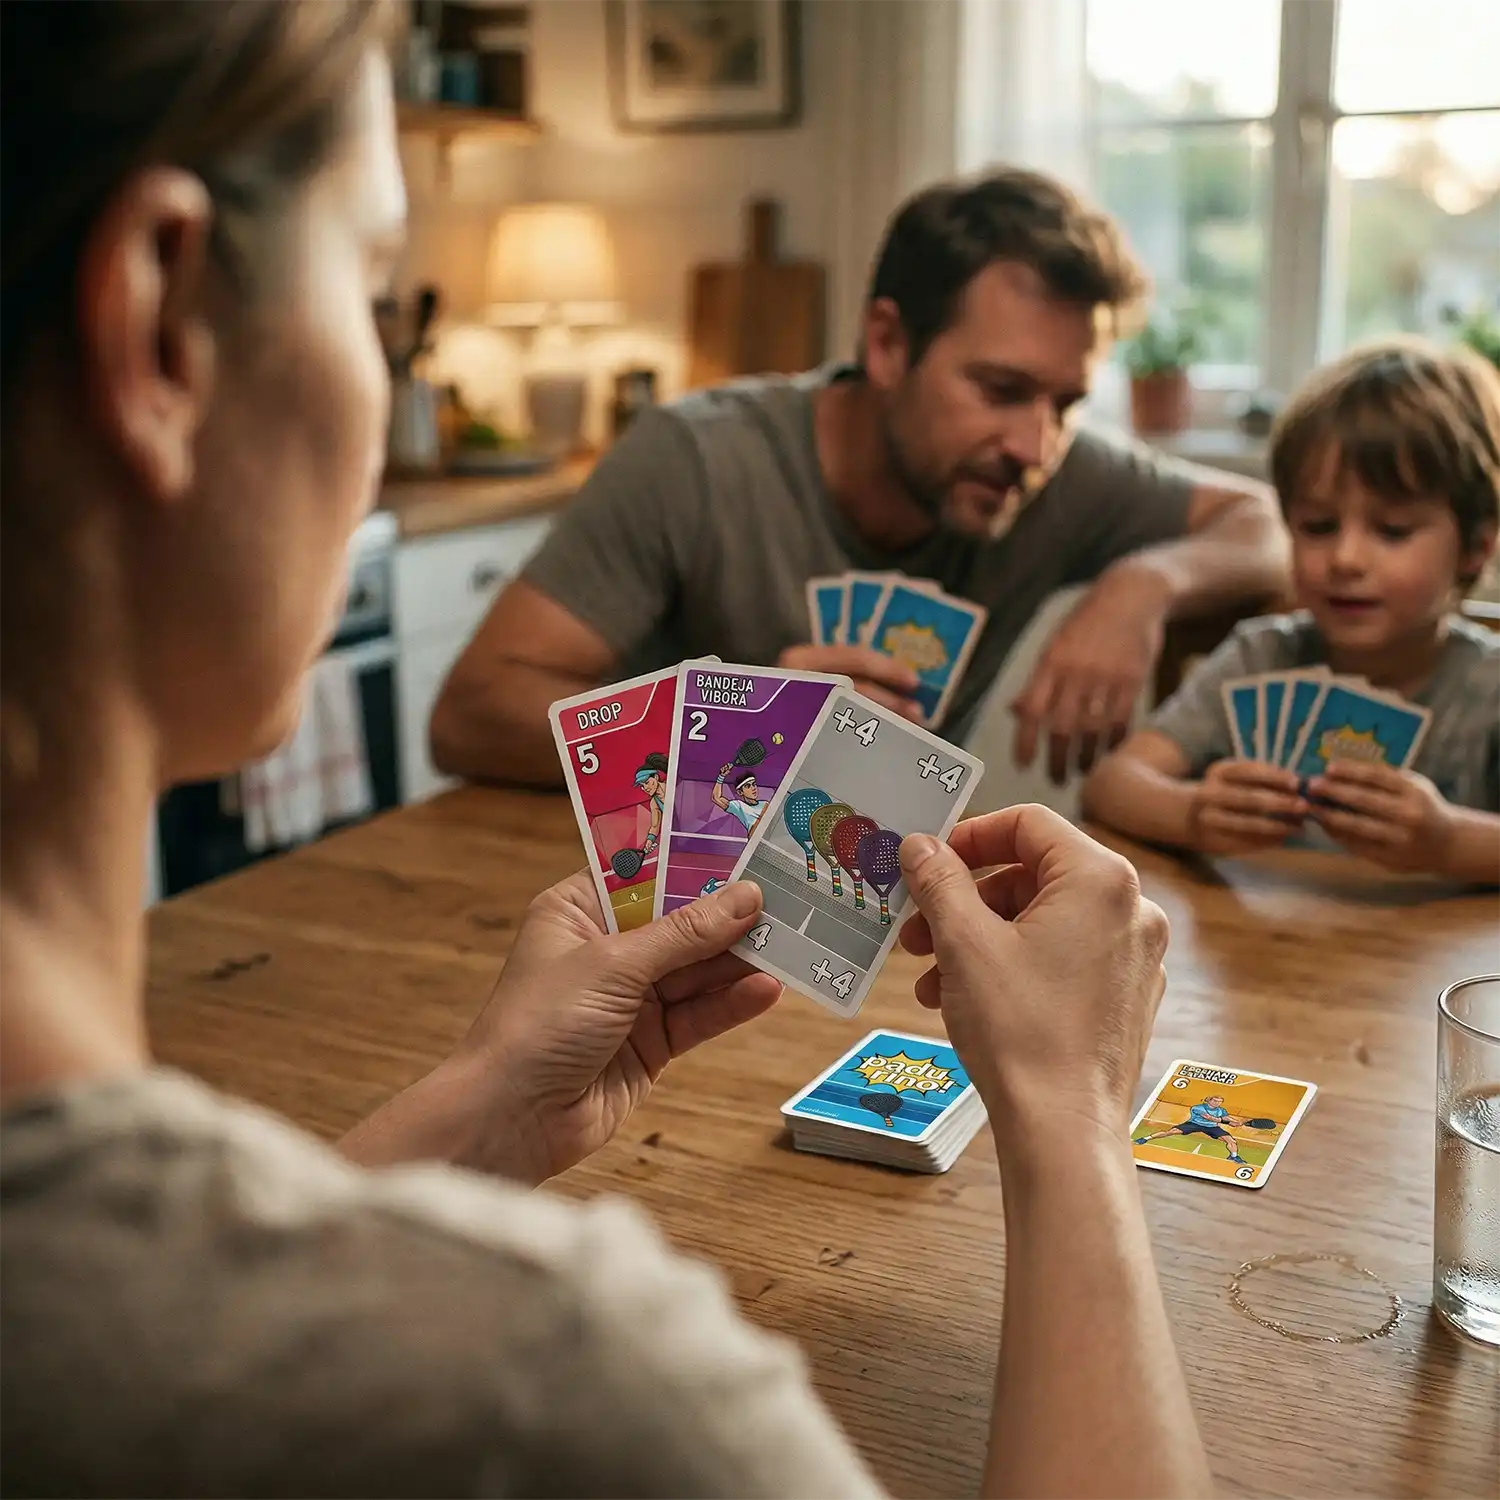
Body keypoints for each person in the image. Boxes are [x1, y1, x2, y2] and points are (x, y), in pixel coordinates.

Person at [0, 4, 1209, 1495]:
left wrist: (484, 1104)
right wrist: (1078, 1115)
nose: (1036, 438)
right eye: (383, 289)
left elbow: (170, 1321)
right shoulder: (570, 1386)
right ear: (161, 323)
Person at [430, 171, 1290, 791]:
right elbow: (471, 716)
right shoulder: (694, 459)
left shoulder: (1054, 471)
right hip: (651, 907)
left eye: (1066, 404)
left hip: (872, 915)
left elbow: (1264, 525)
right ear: (886, 344)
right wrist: (742, 731)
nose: (1034, 446)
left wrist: (1145, 584)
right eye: (998, 390)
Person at [1084, 338, 1500, 884]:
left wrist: (1447, 841)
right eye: (1318, 526)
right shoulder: (1260, 656)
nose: (1346, 560)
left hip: (1438, 966)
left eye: (1392, 531)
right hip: (1255, 955)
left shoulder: (1490, 687)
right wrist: (1192, 813)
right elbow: (1112, 784)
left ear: (1476, 547)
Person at [1134, 1096, 1250, 1166]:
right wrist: (1227, 1122)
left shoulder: (1221, 1110)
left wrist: (1236, 1122)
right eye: (1215, 1101)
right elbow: (1210, 1118)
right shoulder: (1198, 1107)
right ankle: (1144, 1139)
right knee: (1170, 1132)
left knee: (1231, 1141)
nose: (1217, 1103)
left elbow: (1226, 1118)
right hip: (1194, 1124)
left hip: (1211, 1127)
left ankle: (1234, 1156)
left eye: (1219, 1101)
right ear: (1208, 1100)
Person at [712, 762, 766, 833]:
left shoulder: (765, 804)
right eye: (748, 786)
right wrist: (721, 776)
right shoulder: (739, 806)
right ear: (740, 792)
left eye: (754, 784)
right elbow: (716, 798)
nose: (753, 788)